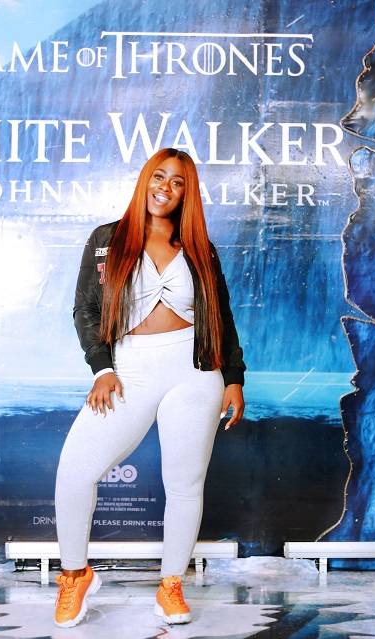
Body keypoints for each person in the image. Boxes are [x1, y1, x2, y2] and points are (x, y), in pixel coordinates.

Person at [54, 148, 246, 628]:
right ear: (145, 180)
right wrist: (102, 370)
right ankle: (75, 575)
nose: (165, 187)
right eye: (159, 177)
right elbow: (85, 309)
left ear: (186, 193)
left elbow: (221, 316)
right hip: (129, 369)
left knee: (185, 484)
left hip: (195, 372)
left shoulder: (200, 247)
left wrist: (234, 378)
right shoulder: (107, 239)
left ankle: (171, 585)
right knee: (75, 471)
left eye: (177, 182)